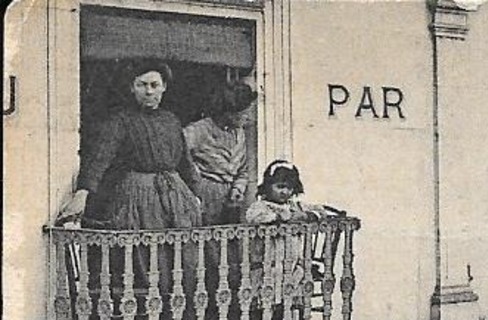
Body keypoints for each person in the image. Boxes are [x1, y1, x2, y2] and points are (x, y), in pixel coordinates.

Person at [57, 61, 203, 230]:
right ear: (132, 88)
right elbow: (100, 158)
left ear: (164, 87)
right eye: (142, 85)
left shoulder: (171, 121)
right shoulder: (120, 120)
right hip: (137, 197)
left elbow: (185, 162)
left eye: (154, 85)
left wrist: (196, 194)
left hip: (174, 195)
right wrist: (82, 194)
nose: (149, 91)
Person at [185, 82, 258, 225]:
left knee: (228, 241)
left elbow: (243, 168)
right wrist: (195, 184)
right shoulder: (199, 130)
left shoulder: (239, 134)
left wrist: (238, 188)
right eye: (243, 113)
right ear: (228, 112)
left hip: (230, 197)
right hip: (204, 194)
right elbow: (179, 157)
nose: (247, 117)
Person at [244, 160, 337, 223]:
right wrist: (281, 217)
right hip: (269, 251)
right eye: (280, 187)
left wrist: (305, 216)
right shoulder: (261, 206)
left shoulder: (295, 206)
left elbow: (321, 212)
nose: (285, 192)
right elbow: (254, 218)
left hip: (293, 251)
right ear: (268, 186)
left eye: (289, 188)